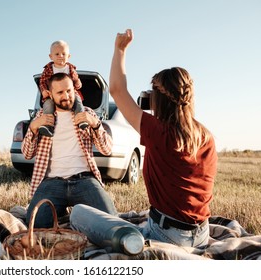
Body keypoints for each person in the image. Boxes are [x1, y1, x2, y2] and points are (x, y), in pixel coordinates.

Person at [70, 29, 218, 248]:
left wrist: (120, 49)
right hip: (201, 234)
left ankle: (134, 243)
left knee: (78, 213)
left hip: (166, 234)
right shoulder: (206, 136)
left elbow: (118, 90)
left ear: (158, 100)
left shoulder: (159, 132)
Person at [22, 72, 117, 228]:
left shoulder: (87, 113)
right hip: (52, 182)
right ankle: (62, 212)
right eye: (60, 92)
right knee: (35, 225)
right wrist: (33, 127)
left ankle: (71, 215)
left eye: (69, 91)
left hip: (84, 180)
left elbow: (106, 150)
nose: (66, 96)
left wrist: (96, 124)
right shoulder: (42, 116)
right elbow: (27, 154)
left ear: (75, 90)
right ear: (51, 96)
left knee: (111, 222)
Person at [38, 40, 88, 137]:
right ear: (51, 56)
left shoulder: (71, 69)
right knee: (48, 105)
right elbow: (42, 81)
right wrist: (44, 90)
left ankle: (81, 120)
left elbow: (77, 82)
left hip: (71, 94)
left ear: (68, 56)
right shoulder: (48, 69)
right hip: (52, 95)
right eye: (57, 54)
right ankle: (48, 126)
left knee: (78, 101)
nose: (60, 56)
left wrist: (77, 83)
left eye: (63, 54)